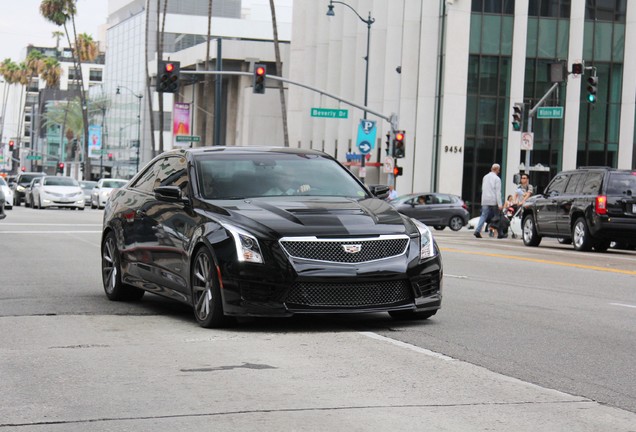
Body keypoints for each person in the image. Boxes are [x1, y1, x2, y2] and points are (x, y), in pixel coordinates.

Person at [474, 163, 503, 239]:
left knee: (483, 215)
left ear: (491, 169)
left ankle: (477, 230)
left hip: (485, 199)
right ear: (497, 170)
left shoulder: (485, 177)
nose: (499, 172)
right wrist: (500, 204)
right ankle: (500, 233)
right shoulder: (497, 179)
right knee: (497, 216)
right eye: (498, 170)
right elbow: (498, 192)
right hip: (493, 200)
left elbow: (483, 189)